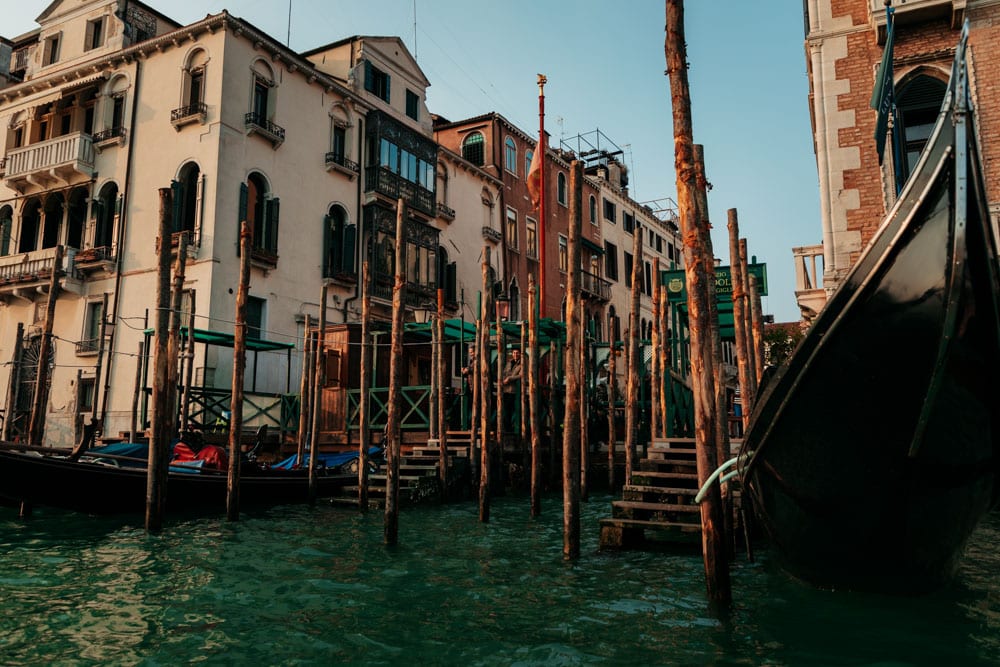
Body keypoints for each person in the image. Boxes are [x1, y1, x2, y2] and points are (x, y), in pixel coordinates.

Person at [500, 347, 522, 432]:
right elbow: (504, 372)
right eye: (514, 353)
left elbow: (521, 375)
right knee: (505, 409)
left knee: (512, 409)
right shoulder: (509, 363)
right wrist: (503, 379)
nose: (515, 354)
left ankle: (511, 428)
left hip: (515, 391)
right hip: (505, 390)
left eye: (517, 353)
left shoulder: (522, 364)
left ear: (520, 354)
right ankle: (506, 427)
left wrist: (509, 378)